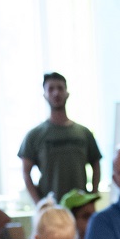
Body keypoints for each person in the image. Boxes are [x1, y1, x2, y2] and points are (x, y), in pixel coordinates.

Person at [19, 73, 102, 204]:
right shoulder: (34, 135)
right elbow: (25, 172)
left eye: (60, 88)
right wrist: (40, 203)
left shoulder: (84, 133)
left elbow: (96, 164)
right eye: (51, 89)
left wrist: (92, 196)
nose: (56, 93)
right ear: (44, 94)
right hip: (52, 209)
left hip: (80, 208)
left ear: (67, 92)